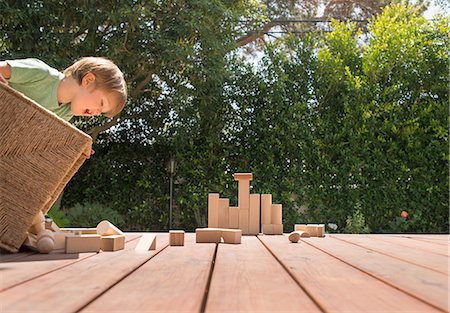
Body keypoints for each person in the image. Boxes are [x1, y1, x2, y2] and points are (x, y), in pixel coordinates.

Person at [0, 57, 127, 121]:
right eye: (101, 104)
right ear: (88, 81)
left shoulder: (65, 114)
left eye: (101, 112)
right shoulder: (40, 74)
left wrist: (77, 148)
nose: (97, 113)